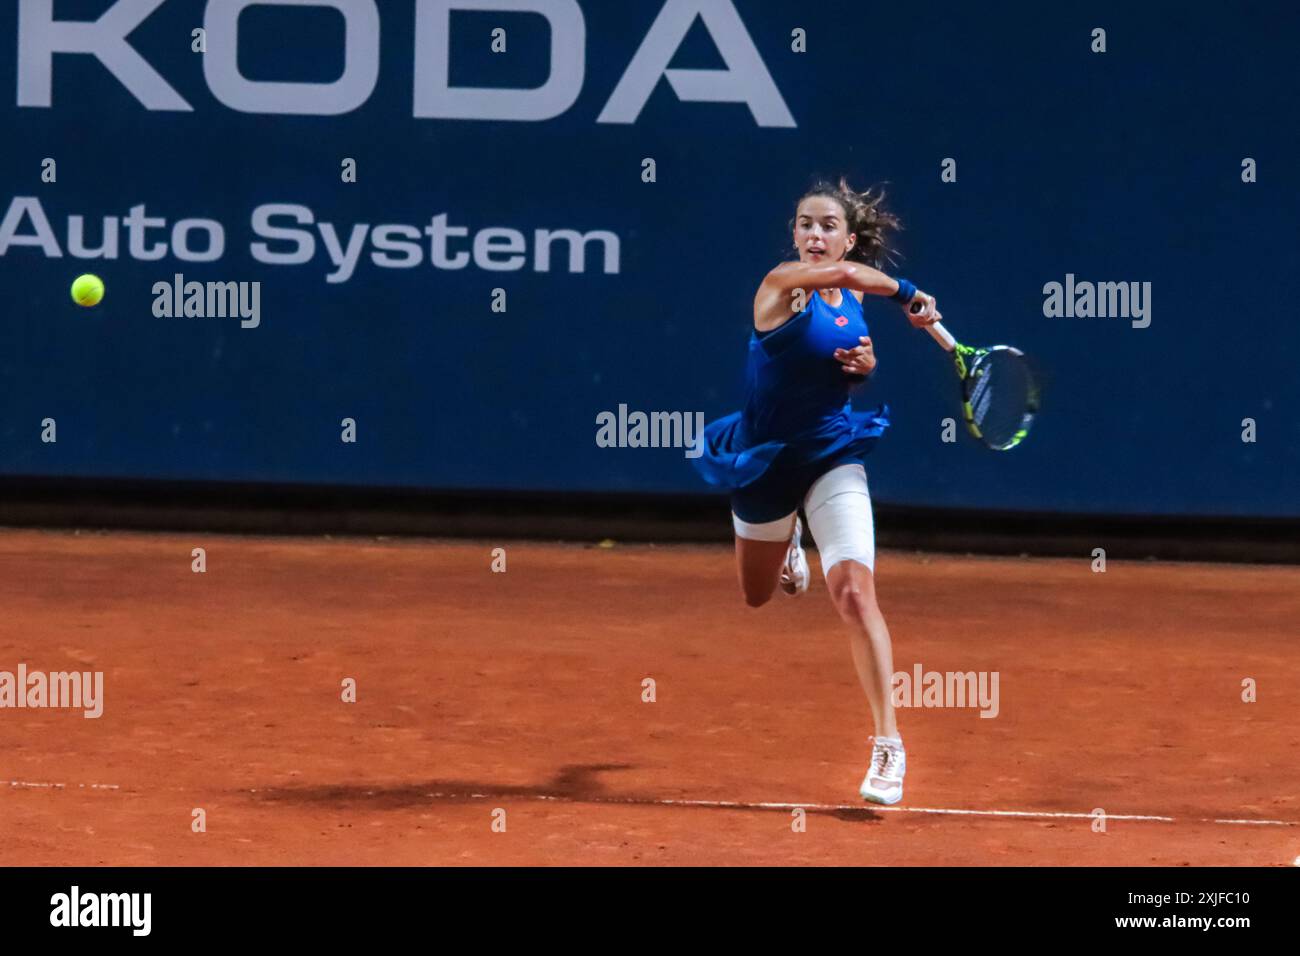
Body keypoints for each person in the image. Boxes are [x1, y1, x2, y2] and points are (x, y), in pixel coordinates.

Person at [692, 178, 941, 805]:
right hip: (766, 463)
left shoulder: (846, 299)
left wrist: (867, 368)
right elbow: (859, 278)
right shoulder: (778, 286)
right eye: (805, 224)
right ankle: (789, 539)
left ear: (847, 237)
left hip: (832, 457)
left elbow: (841, 360)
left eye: (827, 226)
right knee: (755, 595)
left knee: (854, 593)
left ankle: (889, 746)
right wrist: (909, 293)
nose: (813, 235)